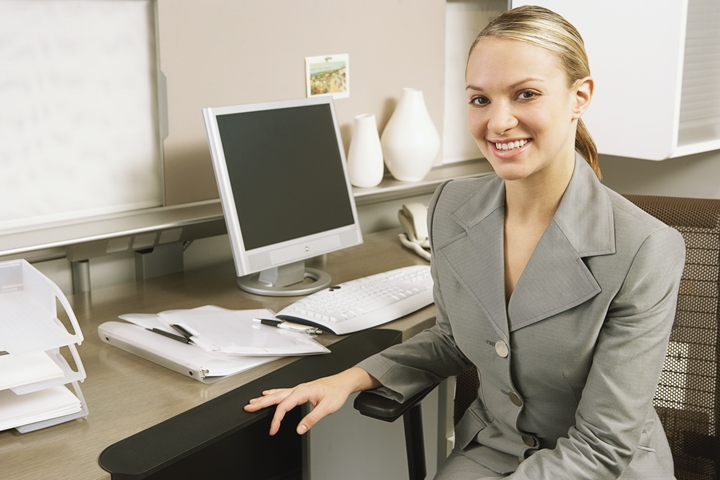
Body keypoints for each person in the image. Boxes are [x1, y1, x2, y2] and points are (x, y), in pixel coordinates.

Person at [245, 6, 686, 479]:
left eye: (526, 94)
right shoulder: (452, 206)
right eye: (480, 99)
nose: (498, 123)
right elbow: (454, 341)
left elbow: (602, 445)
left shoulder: (645, 248)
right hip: (494, 449)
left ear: (580, 96)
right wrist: (349, 379)